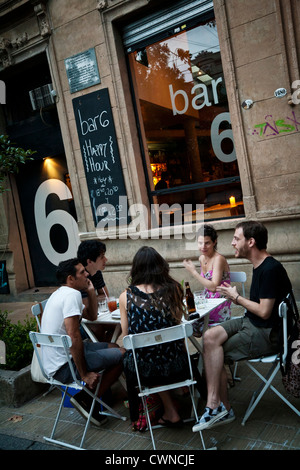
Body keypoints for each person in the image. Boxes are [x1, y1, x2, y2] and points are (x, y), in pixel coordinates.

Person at [193, 221, 292, 432]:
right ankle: (216, 404)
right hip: (252, 322)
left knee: (212, 352)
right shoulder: (260, 266)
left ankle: (219, 406)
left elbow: (265, 311)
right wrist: (236, 296)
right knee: (209, 337)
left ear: (251, 242)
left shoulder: (270, 269)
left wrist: (236, 297)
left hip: (267, 333)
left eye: (236, 238)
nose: (232, 243)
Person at [40, 258, 125, 426]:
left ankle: (90, 396)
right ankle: (86, 398)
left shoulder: (61, 293)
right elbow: (74, 336)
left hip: (54, 361)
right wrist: (84, 374)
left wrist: (91, 291)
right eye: (81, 272)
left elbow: (91, 316)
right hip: (63, 366)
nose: (87, 274)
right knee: (124, 354)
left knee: (115, 347)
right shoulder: (72, 294)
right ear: (70, 279)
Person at [119, 246, 189, 430]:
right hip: (177, 363)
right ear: (161, 266)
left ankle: (167, 410)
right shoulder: (174, 289)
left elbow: (126, 336)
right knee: (160, 353)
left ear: (136, 268)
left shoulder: (126, 296)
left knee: (135, 357)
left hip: (144, 368)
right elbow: (176, 325)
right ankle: (174, 400)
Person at [183, 224, 231, 335]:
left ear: (214, 242)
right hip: (206, 302)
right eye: (200, 243)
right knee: (184, 324)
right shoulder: (201, 258)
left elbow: (214, 287)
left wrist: (194, 272)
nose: (203, 246)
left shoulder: (219, 259)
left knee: (191, 326)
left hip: (219, 304)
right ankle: (200, 352)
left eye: (207, 243)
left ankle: (205, 350)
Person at [77, 240, 114, 341]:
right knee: (97, 328)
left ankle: (107, 348)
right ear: (89, 261)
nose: (106, 259)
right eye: (102, 257)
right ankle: (106, 349)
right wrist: (95, 299)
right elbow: (87, 309)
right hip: (78, 325)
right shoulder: (79, 277)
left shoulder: (96, 273)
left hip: (93, 317)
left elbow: (105, 296)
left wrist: (93, 298)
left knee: (120, 324)